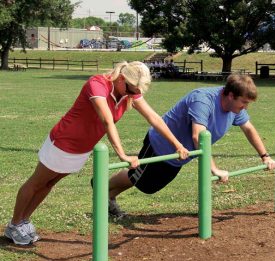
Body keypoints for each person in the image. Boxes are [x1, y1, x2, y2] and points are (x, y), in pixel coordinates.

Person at [4, 61, 189, 246]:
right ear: (121, 79)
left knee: (49, 183)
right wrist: (123, 155)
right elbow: (107, 120)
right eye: (131, 90)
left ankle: (24, 220)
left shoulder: (127, 91)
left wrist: (177, 144)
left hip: (81, 148)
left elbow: (153, 118)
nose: (132, 95)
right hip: (62, 142)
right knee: (37, 182)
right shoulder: (98, 84)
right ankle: (14, 224)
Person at [109, 74, 275, 219]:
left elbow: (249, 128)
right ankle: (102, 188)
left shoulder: (235, 109)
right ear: (231, 95)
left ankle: (108, 195)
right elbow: (198, 136)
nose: (245, 107)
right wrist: (214, 169)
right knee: (138, 177)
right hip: (160, 144)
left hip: (179, 155)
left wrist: (265, 156)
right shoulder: (203, 100)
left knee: (147, 185)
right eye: (244, 102)